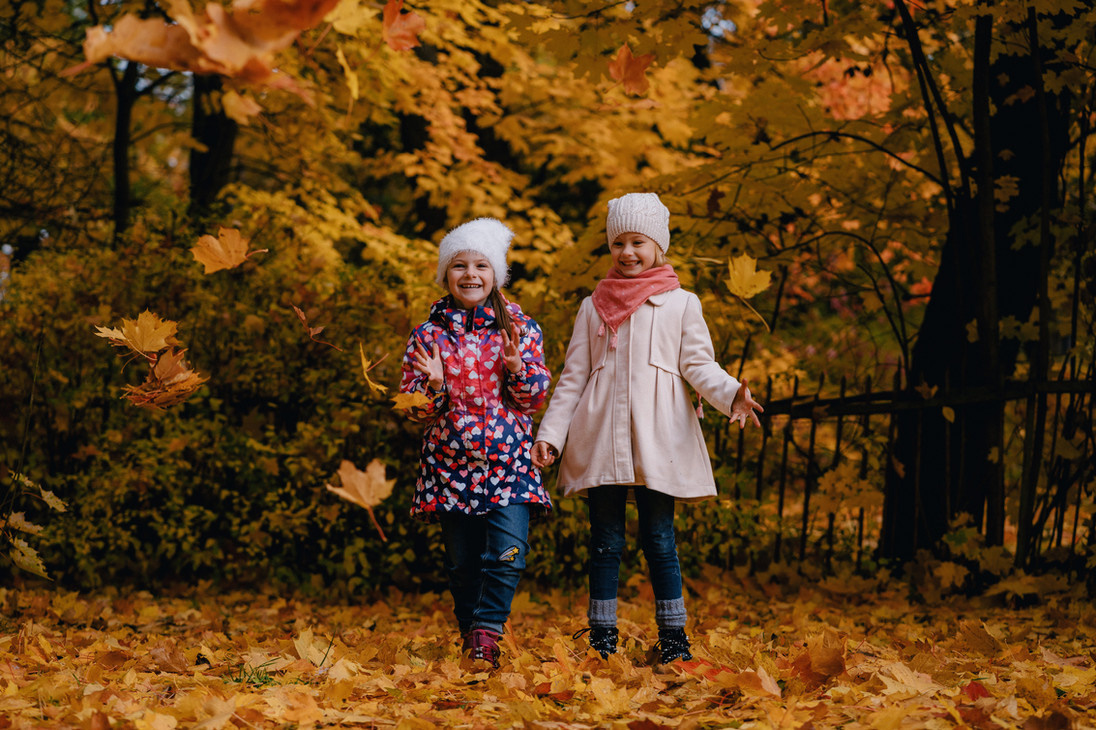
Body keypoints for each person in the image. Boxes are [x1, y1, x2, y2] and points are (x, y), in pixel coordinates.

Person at [531, 192, 763, 664]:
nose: (628, 252)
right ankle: (602, 640)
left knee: (659, 539)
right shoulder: (592, 306)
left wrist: (732, 393)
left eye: (638, 241)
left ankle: (674, 639)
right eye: (619, 243)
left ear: (659, 246)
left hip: (659, 437)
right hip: (600, 437)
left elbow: (699, 365)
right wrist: (550, 435)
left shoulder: (682, 304)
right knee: (606, 540)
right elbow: (573, 378)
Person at [399, 217, 552, 668]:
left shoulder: (520, 329)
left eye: (481, 265)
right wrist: (433, 386)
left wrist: (517, 367)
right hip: (449, 465)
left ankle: (487, 631)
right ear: (446, 274)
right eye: (459, 265)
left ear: (497, 274)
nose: (470, 274)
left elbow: (535, 399)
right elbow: (414, 411)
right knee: (462, 565)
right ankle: (472, 634)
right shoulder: (427, 335)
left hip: (509, 463)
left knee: (507, 553)